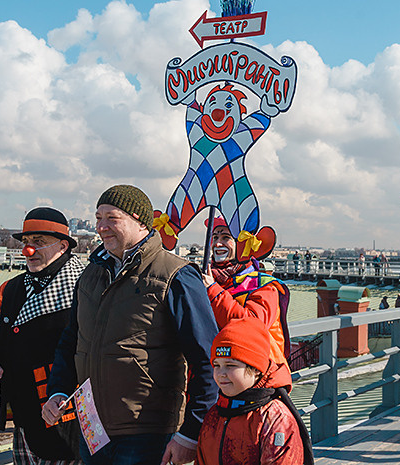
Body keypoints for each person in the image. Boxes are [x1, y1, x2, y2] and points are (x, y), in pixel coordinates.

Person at [43, 185, 219, 465]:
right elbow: (72, 341)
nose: (101, 227)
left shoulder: (175, 275)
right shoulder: (90, 275)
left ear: (140, 222)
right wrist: (58, 390)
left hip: (147, 433)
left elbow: (208, 359)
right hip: (93, 431)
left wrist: (191, 433)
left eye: (111, 218)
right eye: (98, 218)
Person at [0, 207, 85, 465]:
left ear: (63, 246)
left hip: (72, 424)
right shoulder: (10, 290)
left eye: (38, 242)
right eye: (26, 242)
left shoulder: (86, 288)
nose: (28, 250)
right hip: (25, 424)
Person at [196, 317, 312, 465]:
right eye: (216, 365)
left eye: (230, 365)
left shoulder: (275, 418)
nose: (221, 373)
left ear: (256, 369)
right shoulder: (215, 414)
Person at [201, 217, 291, 366]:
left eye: (226, 237)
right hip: (220, 369)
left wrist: (213, 291)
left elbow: (251, 326)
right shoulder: (209, 280)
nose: (217, 243)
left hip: (258, 373)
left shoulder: (263, 286)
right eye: (215, 237)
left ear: (242, 245)